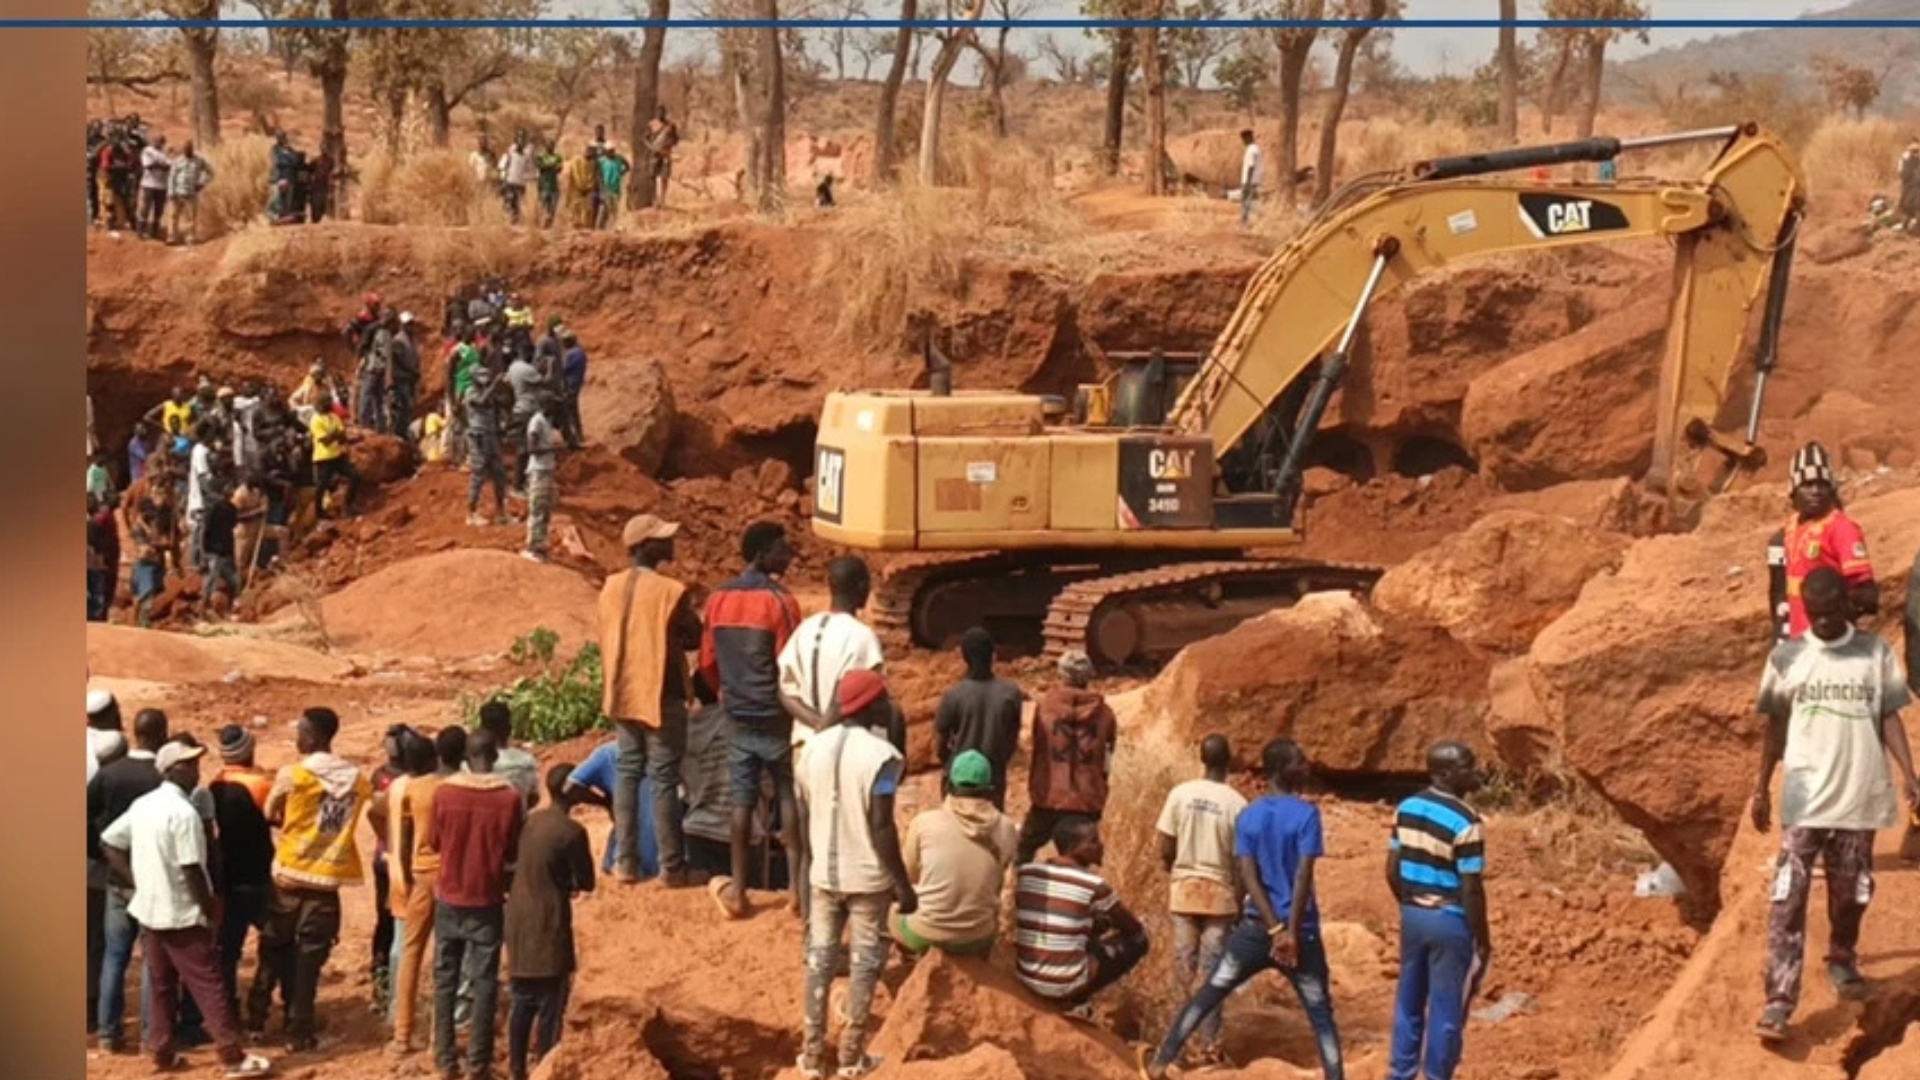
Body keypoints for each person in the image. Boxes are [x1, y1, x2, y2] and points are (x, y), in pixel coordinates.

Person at [1750, 566, 1918, 1040]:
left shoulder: (1874, 653)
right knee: (1788, 896)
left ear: (1847, 605)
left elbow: (1889, 715)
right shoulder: (1788, 657)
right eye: (1815, 613)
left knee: (1854, 891)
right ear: (1807, 608)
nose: (1823, 622)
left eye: (1831, 612)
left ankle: (1843, 959)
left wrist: (1910, 774)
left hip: (1859, 794)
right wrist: (1761, 788)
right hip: (1805, 797)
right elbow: (1775, 728)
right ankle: (1779, 1002)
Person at [1146, 738, 1341, 1080]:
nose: (1306, 765)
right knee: (1320, 1013)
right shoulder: (1307, 814)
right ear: (1282, 769)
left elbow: (1249, 877)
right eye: (1299, 761)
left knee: (1210, 990)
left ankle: (1161, 1061)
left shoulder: (1250, 814)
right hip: (1301, 933)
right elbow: (1302, 876)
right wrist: (1289, 932)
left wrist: (1272, 929)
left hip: (1255, 929)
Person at [99, 740, 275, 1078]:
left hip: (150, 910)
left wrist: (137, 880)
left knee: (161, 982)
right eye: (190, 765)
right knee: (208, 982)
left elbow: (110, 841)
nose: (196, 771)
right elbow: (193, 867)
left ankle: (162, 1052)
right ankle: (231, 1055)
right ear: (172, 770)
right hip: (180, 912)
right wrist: (208, 908)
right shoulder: (183, 813)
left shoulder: (144, 805)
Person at [793, 669, 912, 1080]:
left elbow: (805, 810)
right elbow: (882, 826)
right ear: (869, 704)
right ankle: (850, 1059)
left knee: (819, 960)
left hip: (823, 873)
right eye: (881, 698)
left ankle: (811, 1059)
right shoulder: (882, 757)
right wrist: (902, 883)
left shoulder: (810, 750)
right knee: (864, 963)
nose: (886, 704)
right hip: (867, 878)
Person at [702, 521, 805, 918]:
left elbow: (708, 662)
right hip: (776, 714)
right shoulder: (781, 602)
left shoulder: (717, 600)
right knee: (786, 793)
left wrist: (726, 690)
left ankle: (739, 891)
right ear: (762, 554)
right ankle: (796, 892)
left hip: (738, 713)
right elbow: (790, 663)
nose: (790, 554)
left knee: (742, 799)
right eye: (782, 548)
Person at [596, 513, 704, 886]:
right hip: (662, 693)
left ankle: (626, 861)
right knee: (662, 777)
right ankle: (672, 867)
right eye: (662, 539)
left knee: (628, 771)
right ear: (644, 547)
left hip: (622, 691)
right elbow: (692, 637)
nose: (670, 542)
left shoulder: (610, 586)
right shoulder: (669, 591)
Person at [255, 707, 371, 1052]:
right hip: (326, 881)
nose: (297, 738)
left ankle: (256, 1020)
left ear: (315, 737)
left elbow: (270, 813)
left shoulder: (292, 775)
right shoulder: (358, 780)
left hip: (289, 875)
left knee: (272, 949)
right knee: (309, 961)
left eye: (301, 732)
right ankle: (299, 1031)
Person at [1385, 742, 1490, 1080]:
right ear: (1444, 773)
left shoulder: (1407, 808)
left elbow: (1391, 868)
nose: (1474, 771)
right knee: (1447, 1009)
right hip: (1450, 919)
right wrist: (1482, 938)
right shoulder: (1467, 821)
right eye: (1466, 765)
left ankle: (1400, 1073)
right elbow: (1471, 888)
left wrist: (1410, 902)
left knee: (1409, 1000)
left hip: (1413, 915)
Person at [431, 728, 526, 1080]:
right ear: (496, 756)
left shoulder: (445, 793)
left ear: (467, 758)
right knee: (484, 981)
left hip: (449, 894)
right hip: (487, 898)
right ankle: (477, 1063)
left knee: (445, 977)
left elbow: (434, 841)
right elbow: (514, 850)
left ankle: (444, 1059)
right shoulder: (510, 798)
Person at [1152, 734, 1249, 1066]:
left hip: (1184, 888)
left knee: (1182, 969)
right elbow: (1241, 862)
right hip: (1219, 895)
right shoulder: (1237, 803)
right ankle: (1210, 1046)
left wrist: (1175, 870)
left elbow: (1165, 844)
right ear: (1229, 761)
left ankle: (1174, 1049)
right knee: (1213, 973)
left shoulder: (1180, 794)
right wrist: (1239, 898)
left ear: (1202, 758)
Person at [505, 764, 596, 1080]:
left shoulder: (529, 822)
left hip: (517, 917)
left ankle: (516, 1067)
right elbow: (587, 882)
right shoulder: (572, 832)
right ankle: (546, 1067)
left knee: (521, 999)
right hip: (549, 920)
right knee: (549, 1005)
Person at [90, 706, 168, 1052]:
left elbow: (81, 814)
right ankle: (151, 1035)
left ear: (135, 732)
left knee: (114, 956)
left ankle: (108, 1033)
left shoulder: (110, 773)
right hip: (154, 880)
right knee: (153, 959)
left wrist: (99, 853)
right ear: (162, 734)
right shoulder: (162, 776)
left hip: (118, 879)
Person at [1012, 817, 1147, 1018]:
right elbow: (1132, 928)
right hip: (1061, 983)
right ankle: (1077, 998)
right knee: (1139, 942)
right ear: (1075, 847)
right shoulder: (1093, 884)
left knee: (1088, 924)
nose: (1100, 846)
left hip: (1026, 975)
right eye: (1093, 841)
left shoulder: (1026, 872)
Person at [896, 750, 1018, 957]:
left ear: (948, 785)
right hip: (979, 936)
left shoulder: (925, 823)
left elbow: (909, 875)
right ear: (990, 789)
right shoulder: (1007, 828)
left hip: (925, 932)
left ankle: (912, 963)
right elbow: (998, 882)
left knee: (887, 912)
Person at [391, 725, 465, 1057]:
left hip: (420, 875)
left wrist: (403, 876)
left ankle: (402, 1035)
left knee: (411, 953)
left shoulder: (411, 790)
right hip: (451, 877)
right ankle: (441, 1036)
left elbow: (398, 832)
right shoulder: (454, 789)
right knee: (449, 958)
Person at [1766, 443, 1877, 642]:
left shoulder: (1842, 529)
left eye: (1822, 484)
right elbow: (1779, 590)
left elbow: (1866, 595)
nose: (1816, 491)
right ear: (1794, 491)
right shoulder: (1789, 529)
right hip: (1797, 640)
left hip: (1830, 642)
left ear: (1831, 489)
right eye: (1807, 485)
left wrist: (1834, 618)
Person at [1017, 650, 1117, 863]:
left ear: (1061, 676)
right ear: (1089, 676)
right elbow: (1107, 759)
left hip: (1048, 797)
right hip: (1086, 801)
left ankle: (1022, 890)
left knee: (1023, 850)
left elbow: (1037, 744)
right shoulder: (1105, 714)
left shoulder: (1045, 707)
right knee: (1079, 862)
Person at [777, 555, 886, 749]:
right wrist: (825, 729)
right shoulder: (862, 637)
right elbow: (851, 695)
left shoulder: (804, 630)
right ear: (862, 586)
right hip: (843, 748)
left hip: (805, 746)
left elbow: (785, 693)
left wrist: (816, 726)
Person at [207, 726, 276, 1023]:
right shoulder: (260, 785)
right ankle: (262, 1004)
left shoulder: (214, 786)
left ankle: (228, 1011)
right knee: (275, 941)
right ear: (249, 751)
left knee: (227, 950)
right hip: (259, 875)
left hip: (229, 876)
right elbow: (278, 818)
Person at [933, 627, 1024, 807]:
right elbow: (1011, 739)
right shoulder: (1011, 694)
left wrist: (949, 763)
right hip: (993, 777)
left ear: (964, 658)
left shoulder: (954, 695)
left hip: (958, 777)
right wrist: (998, 763)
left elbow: (940, 740)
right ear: (993, 655)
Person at [562, 738, 658, 878]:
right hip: (668, 859)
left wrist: (606, 803)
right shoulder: (674, 752)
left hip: (621, 859)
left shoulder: (608, 753)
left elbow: (570, 787)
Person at [465, 368, 511, 527]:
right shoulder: (470, 392)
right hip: (478, 436)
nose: (484, 378)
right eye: (480, 375)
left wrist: (503, 389)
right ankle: (471, 512)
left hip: (492, 435)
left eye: (486, 375)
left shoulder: (489, 393)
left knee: (499, 473)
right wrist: (494, 385)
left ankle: (501, 512)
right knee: (478, 471)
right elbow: (480, 402)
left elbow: (503, 403)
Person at [477, 699, 542, 809]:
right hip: (516, 822)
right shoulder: (526, 761)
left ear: (481, 729)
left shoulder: (471, 763)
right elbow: (533, 798)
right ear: (509, 728)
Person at [308, 393, 360, 519]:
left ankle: (348, 504)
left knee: (355, 476)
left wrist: (335, 435)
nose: (330, 404)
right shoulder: (315, 420)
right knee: (321, 487)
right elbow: (325, 440)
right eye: (327, 402)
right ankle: (319, 514)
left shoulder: (334, 417)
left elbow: (342, 436)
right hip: (322, 458)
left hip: (337, 455)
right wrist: (336, 434)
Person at [199, 475, 242, 620]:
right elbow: (205, 531)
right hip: (213, 551)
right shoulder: (214, 509)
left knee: (234, 581)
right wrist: (203, 552)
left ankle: (230, 608)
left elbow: (236, 523)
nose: (231, 491)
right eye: (228, 488)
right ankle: (203, 608)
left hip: (227, 550)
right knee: (211, 580)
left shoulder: (232, 509)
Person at [522, 406, 560, 563]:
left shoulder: (546, 422)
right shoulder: (537, 421)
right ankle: (532, 547)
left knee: (545, 509)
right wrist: (554, 448)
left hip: (547, 469)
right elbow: (531, 447)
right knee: (537, 508)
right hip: (538, 470)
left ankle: (540, 546)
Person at [166, 140, 213, 246]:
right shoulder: (178, 161)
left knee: (191, 217)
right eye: (185, 150)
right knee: (173, 215)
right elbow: (172, 177)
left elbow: (210, 172)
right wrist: (171, 191)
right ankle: (172, 236)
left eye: (189, 150)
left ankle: (190, 237)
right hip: (177, 192)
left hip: (191, 193)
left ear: (192, 149)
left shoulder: (199, 160)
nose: (187, 152)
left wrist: (202, 183)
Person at [388, 312, 422, 438]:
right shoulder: (398, 340)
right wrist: (412, 371)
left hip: (409, 378)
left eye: (412, 324)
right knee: (403, 406)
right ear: (403, 325)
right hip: (401, 378)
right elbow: (399, 360)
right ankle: (399, 432)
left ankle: (405, 431)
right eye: (408, 324)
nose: (411, 327)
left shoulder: (411, 339)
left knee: (409, 406)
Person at [88, 493, 120, 622]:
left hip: (101, 560)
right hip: (100, 561)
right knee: (99, 591)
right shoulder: (102, 519)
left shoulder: (100, 519)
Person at [499, 131, 538, 225]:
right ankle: (507, 221)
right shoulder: (510, 151)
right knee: (508, 202)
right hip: (510, 181)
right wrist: (503, 178)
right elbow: (503, 165)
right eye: (519, 138)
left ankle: (515, 222)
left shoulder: (526, 155)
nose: (521, 140)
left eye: (523, 138)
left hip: (520, 183)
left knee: (518, 204)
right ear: (516, 139)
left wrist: (533, 176)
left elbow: (530, 169)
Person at [138, 132, 171, 240]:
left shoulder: (163, 153)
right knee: (145, 208)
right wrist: (163, 165)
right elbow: (148, 165)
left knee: (159, 210)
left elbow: (169, 166)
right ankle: (141, 231)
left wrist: (161, 165)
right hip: (149, 184)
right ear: (153, 141)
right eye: (158, 141)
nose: (160, 143)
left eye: (162, 141)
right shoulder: (147, 151)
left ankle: (155, 232)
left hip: (162, 185)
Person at [646, 105, 678, 207]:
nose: (661, 114)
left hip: (666, 154)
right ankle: (654, 199)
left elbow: (676, 139)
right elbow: (645, 138)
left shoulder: (671, 125)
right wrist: (651, 147)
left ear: (665, 113)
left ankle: (662, 199)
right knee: (652, 176)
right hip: (654, 154)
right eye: (659, 112)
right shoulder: (651, 124)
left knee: (664, 176)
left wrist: (669, 145)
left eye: (662, 112)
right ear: (656, 113)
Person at [559, 333, 587, 448]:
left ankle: (575, 436)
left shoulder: (571, 354)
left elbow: (564, 369)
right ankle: (579, 434)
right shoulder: (580, 352)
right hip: (577, 382)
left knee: (569, 410)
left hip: (571, 384)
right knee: (573, 409)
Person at [566, 146, 600, 230]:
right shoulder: (576, 160)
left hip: (588, 191)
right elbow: (576, 175)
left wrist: (588, 187)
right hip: (576, 191)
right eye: (591, 155)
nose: (592, 157)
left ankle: (586, 230)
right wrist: (581, 187)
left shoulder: (593, 163)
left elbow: (593, 177)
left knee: (588, 211)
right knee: (576, 210)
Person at [597, 145, 629, 229]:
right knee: (606, 209)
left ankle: (610, 227)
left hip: (616, 187)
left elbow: (627, 166)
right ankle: (602, 228)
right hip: (606, 188)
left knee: (614, 209)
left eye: (611, 151)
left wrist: (621, 173)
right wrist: (601, 188)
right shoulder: (602, 161)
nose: (610, 153)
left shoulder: (619, 159)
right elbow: (599, 174)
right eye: (608, 151)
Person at [1238, 128, 1263, 230]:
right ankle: (1251, 224)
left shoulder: (1251, 150)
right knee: (1252, 203)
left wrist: (1248, 182)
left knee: (1246, 203)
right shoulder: (1256, 149)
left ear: (1248, 138)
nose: (1243, 142)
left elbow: (1251, 167)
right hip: (1255, 181)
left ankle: (1245, 225)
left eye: (1243, 139)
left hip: (1249, 181)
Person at [536, 138, 564, 227]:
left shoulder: (558, 157)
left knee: (552, 209)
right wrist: (552, 166)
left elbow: (559, 169)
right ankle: (540, 226)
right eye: (548, 144)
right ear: (545, 146)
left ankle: (548, 227)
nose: (550, 146)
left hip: (554, 186)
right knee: (542, 207)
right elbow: (540, 167)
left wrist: (548, 166)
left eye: (552, 145)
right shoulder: (540, 156)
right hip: (543, 185)